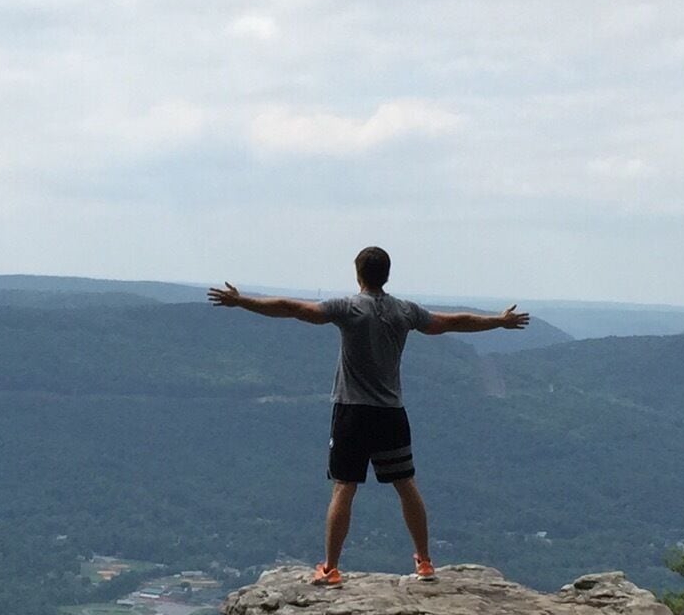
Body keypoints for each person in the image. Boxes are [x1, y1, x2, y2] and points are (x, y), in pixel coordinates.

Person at [208, 246, 529, 583]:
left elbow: (292, 309)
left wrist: (241, 300)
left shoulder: (347, 308)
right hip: (391, 412)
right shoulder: (404, 311)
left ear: (357, 274)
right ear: (387, 275)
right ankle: (424, 562)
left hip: (352, 412)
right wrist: (499, 321)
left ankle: (331, 569)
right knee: (405, 485)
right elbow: (451, 322)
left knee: (344, 487)